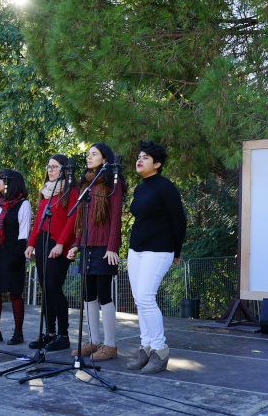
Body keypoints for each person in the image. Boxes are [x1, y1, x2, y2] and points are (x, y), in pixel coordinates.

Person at [126, 141, 186, 374]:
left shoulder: (166, 187)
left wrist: (176, 251)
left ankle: (160, 352)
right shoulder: (140, 188)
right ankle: (146, 348)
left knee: (145, 297)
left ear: (157, 164)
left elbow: (179, 220)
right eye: (139, 156)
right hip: (136, 250)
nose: (139, 160)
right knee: (139, 300)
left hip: (159, 249)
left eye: (146, 157)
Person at [67, 143, 126, 361]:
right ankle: (93, 341)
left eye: (94, 154)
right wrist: (76, 244)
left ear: (104, 159)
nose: (89, 157)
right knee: (87, 295)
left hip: (103, 248)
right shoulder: (86, 186)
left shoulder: (113, 184)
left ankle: (110, 345)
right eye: (88, 154)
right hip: (87, 248)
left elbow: (116, 217)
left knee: (104, 295)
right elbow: (84, 222)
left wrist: (112, 247)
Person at [25, 154, 78, 351]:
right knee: (45, 289)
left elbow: (72, 220)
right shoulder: (46, 192)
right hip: (42, 242)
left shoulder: (71, 191)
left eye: (55, 167)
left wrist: (61, 244)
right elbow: (38, 221)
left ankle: (64, 336)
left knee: (54, 288)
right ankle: (50, 334)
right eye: (49, 166)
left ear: (64, 169)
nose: (50, 170)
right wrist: (31, 244)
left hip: (58, 244)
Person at [0, 169, 31, 345]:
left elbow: (23, 234)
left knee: (14, 293)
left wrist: (17, 257)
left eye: (1, 179)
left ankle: (18, 332)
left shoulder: (23, 204)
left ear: (12, 182)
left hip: (12, 253)